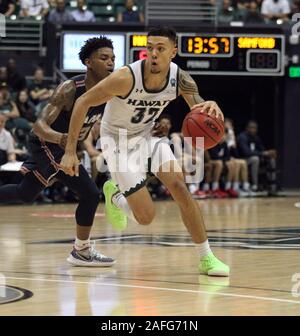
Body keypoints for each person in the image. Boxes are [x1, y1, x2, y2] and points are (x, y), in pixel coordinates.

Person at [61, 26, 230, 276]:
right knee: (146, 217)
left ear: (173, 52)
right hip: (116, 141)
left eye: (160, 49)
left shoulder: (180, 78)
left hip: (147, 135)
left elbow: (200, 111)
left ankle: (207, 257)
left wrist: (211, 106)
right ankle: (115, 194)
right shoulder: (125, 77)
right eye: (149, 48)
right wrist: (70, 151)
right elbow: (82, 102)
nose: (152, 54)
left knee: (181, 188)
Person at [0, 36, 116, 267]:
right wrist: (65, 140)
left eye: (113, 58)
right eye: (104, 58)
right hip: (46, 143)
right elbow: (39, 126)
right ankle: (81, 250)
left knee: (25, 193)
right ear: (88, 62)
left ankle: (81, 250)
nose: (111, 63)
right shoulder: (71, 88)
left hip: (67, 147)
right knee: (90, 193)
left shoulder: (110, 90)